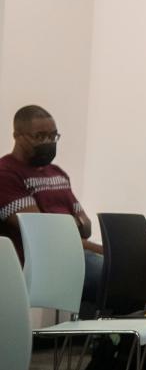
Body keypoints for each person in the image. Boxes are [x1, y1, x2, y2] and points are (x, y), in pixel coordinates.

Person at [0, 106, 103, 311]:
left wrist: (63, 225)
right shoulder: (6, 174)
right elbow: (42, 234)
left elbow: (86, 226)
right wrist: (101, 249)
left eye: (53, 136)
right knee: (124, 275)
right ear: (17, 136)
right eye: (40, 136)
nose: (48, 142)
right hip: (43, 263)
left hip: (75, 253)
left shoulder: (57, 173)